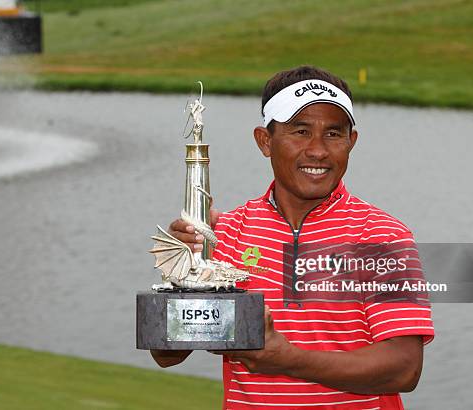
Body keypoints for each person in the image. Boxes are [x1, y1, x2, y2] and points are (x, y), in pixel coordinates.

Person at [152, 65, 434, 409]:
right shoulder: (226, 233)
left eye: (334, 133)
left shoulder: (381, 235)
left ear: (351, 142)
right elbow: (167, 354)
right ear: (265, 141)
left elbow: (404, 368)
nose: (318, 150)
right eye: (300, 131)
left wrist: (288, 359)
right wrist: (183, 275)